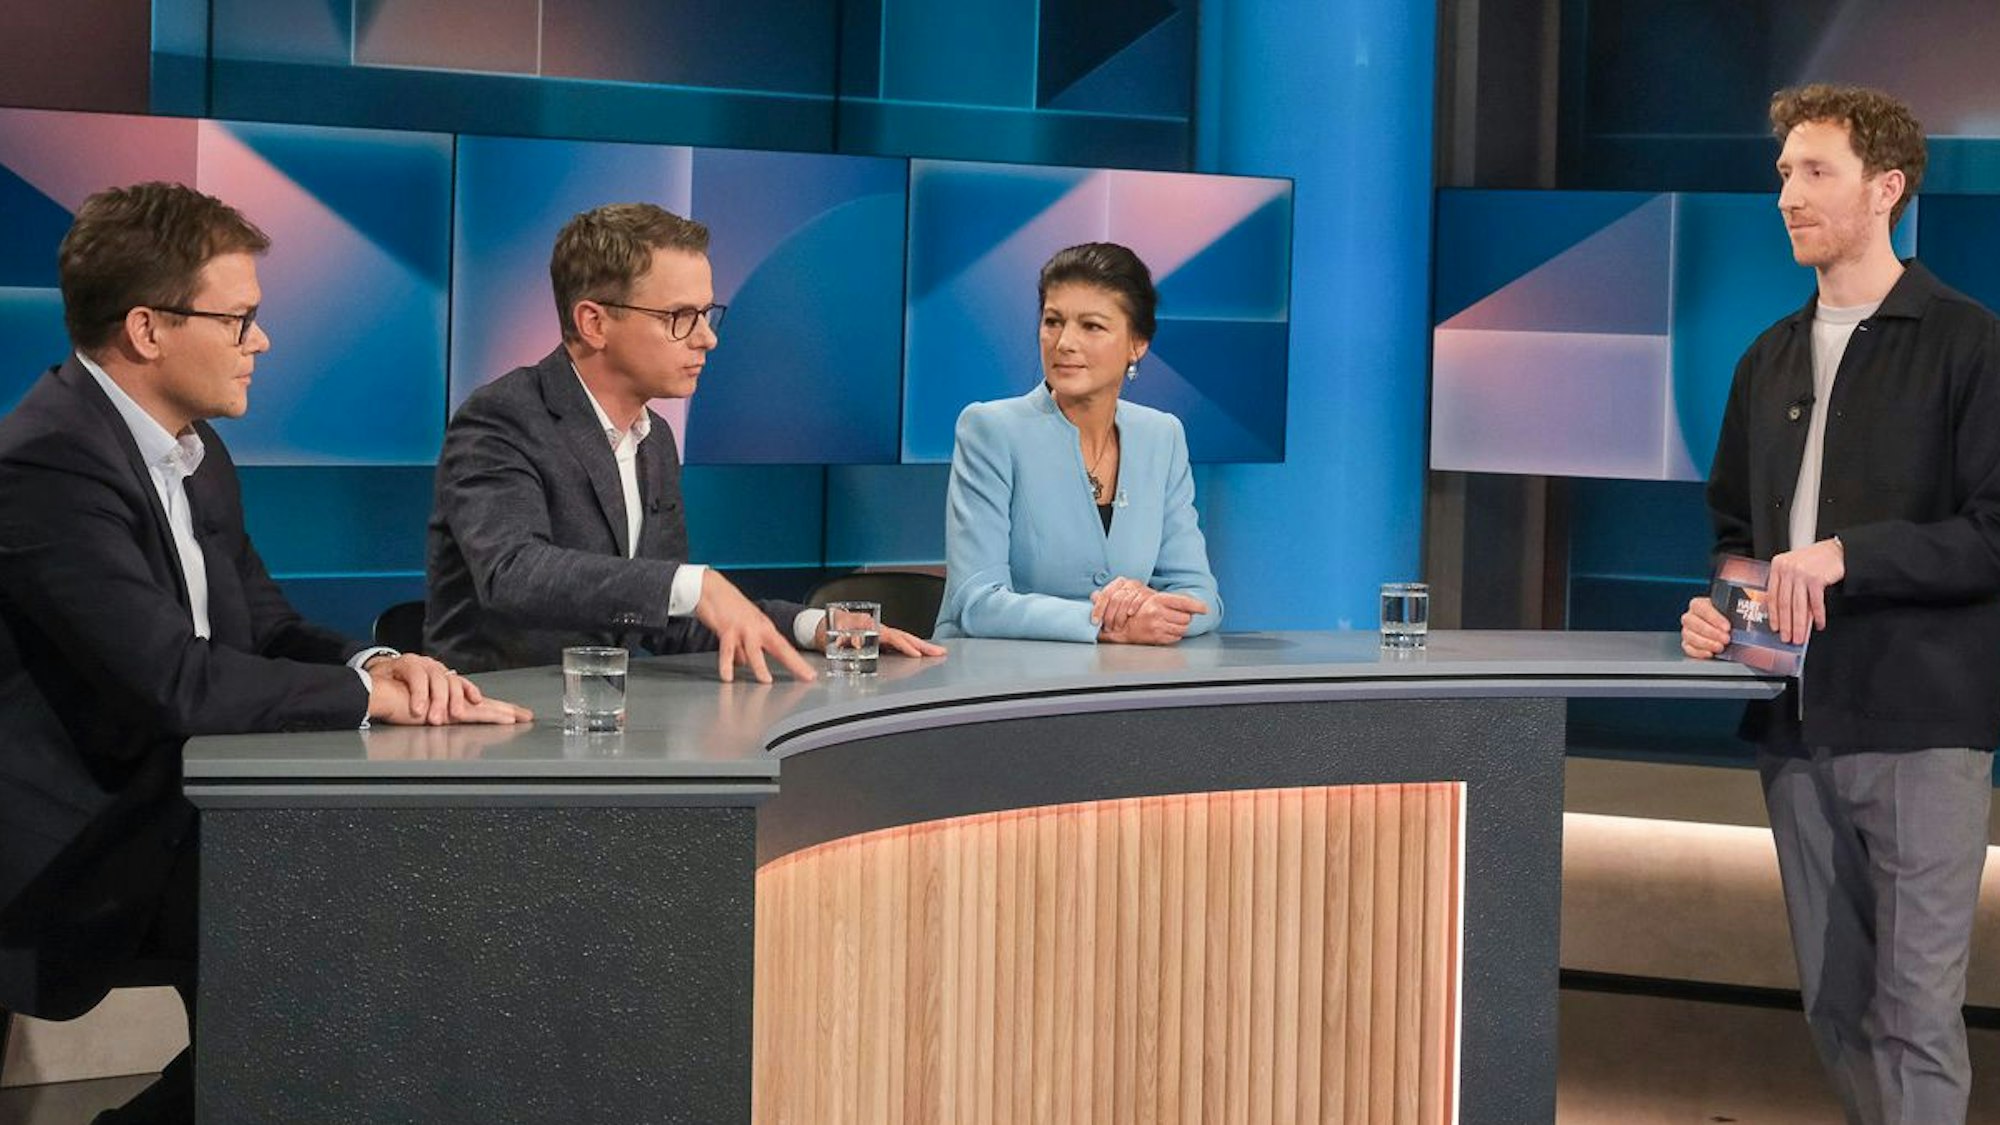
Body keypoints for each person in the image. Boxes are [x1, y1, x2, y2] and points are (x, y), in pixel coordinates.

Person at [0, 182, 531, 1124]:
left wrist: (376, 667)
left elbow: (265, 626)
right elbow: (175, 680)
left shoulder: (193, 447)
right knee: (334, 965)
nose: (264, 342)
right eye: (240, 319)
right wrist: (371, 705)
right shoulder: (47, 463)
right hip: (73, 843)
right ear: (148, 329)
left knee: (375, 946)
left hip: (175, 810)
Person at [1680, 84, 2000, 1124]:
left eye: (1814, 172)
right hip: (1792, 728)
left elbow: (1990, 533)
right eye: (1782, 173)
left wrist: (1842, 558)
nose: (1786, 195)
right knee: (1835, 1005)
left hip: (1916, 730)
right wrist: (1720, 615)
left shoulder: (1967, 345)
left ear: (1885, 189)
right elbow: (1734, 539)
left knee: (1913, 1017)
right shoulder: (1765, 355)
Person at [426, 203, 943, 680]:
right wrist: (693, 586)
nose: (707, 337)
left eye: (705, 313)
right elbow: (512, 572)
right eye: (679, 317)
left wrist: (811, 627)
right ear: (594, 321)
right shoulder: (502, 418)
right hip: (496, 721)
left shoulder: (655, 439)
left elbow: (668, 618)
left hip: (608, 721)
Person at [934, 242, 1221, 643]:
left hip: (1117, 683)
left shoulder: (1162, 436)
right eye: (1053, 321)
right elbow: (977, 603)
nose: (1065, 342)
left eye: (1092, 326)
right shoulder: (990, 429)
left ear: (1137, 344)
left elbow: (1201, 597)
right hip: (995, 683)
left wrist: (1149, 608)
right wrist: (1107, 622)